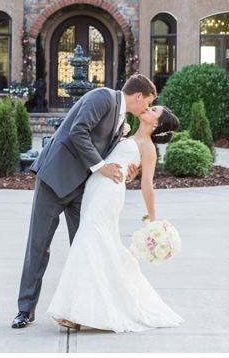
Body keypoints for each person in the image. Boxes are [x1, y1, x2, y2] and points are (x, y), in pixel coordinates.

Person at [12, 74, 156, 329]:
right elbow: (79, 132)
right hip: (55, 179)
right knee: (39, 245)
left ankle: (81, 310)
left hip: (82, 189)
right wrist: (102, 167)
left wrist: (128, 171)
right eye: (147, 104)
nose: (146, 109)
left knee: (86, 248)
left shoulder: (122, 120)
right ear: (138, 96)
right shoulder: (102, 97)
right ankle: (25, 310)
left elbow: (111, 152)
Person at [46, 104, 183, 332]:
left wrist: (153, 219)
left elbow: (147, 183)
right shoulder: (124, 132)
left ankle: (77, 314)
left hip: (109, 194)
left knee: (87, 242)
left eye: (153, 110)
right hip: (93, 189)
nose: (148, 108)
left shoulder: (148, 147)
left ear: (156, 124)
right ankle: (86, 309)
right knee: (99, 245)